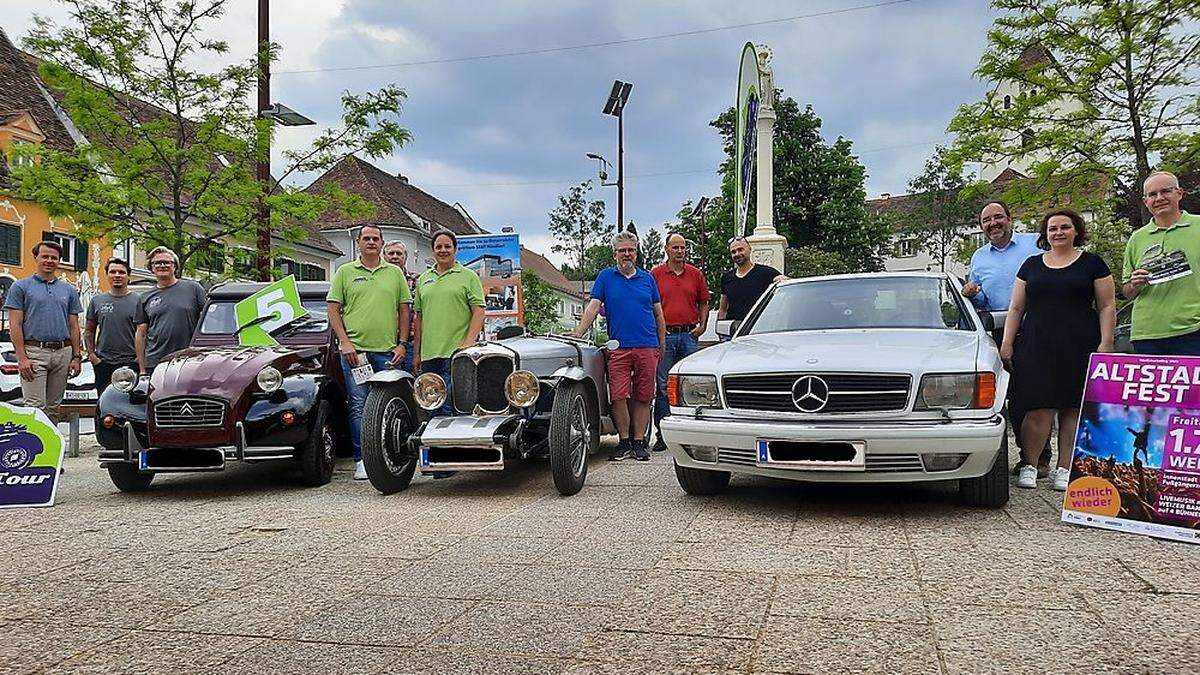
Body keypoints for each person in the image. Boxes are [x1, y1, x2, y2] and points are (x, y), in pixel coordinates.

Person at [1001, 209, 1116, 491]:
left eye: (1065, 227)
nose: (1059, 232)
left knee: (1073, 408)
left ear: (1076, 231)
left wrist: (1106, 342)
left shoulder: (1093, 264)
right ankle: (1030, 463)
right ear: (1045, 234)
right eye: (1053, 228)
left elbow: (1107, 305)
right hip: (1037, 344)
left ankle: (1066, 468)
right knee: (1038, 408)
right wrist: (1007, 341)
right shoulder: (1031, 265)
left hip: (1081, 343)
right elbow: (1016, 307)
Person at [960, 201, 1049, 476]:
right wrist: (973, 294)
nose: (993, 223)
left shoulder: (1035, 243)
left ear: (1010, 218)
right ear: (981, 226)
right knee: (1015, 398)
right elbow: (983, 301)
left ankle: (1044, 459)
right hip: (1000, 330)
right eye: (987, 220)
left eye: (998, 217)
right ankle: (1028, 458)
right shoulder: (979, 257)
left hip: (1039, 326)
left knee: (1041, 394)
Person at [572, 231, 666, 462]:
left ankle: (638, 442)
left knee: (644, 396)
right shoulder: (605, 277)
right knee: (618, 396)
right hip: (618, 348)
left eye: (631, 250)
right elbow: (593, 307)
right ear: (615, 253)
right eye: (622, 250)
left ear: (637, 252)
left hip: (647, 345)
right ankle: (623, 442)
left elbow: (659, 314)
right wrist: (577, 333)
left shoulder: (647, 279)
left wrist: (661, 344)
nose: (627, 254)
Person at [327, 225, 411, 480]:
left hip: (387, 352)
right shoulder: (344, 272)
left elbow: (405, 310)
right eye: (367, 238)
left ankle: (388, 455)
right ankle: (362, 460)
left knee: (390, 405)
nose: (371, 242)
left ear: (382, 243)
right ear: (359, 242)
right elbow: (333, 309)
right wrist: (345, 343)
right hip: (356, 354)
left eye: (376, 238)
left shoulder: (394, 273)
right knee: (359, 405)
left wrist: (402, 343)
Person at [1122, 171, 1200, 354]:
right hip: (1146, 334)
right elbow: (1127, 292)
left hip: (1193, 330)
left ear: (1179, 193)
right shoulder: (1136, 239)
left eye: (1165, 191)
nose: (1159, 198)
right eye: (1152, 194)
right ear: (1145, 201)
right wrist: (1134, 284)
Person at [4, 240, 82, 423]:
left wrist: (76, 356)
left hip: (63, 352)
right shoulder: (21, 287)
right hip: (34, 352)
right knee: (34, 407)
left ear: (59, 261)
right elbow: (15, 324)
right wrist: (21, 358)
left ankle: (52, 449)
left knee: (54, 407)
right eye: (45, 256)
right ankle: (34, 450)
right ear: (36, 257)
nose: (49, 260)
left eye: (53, 258)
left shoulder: (68, 290)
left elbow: (74, 325)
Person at [412, 230, 485, 417]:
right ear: (432, 251)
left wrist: (469, 342)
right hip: (430, 355)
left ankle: (454, 445)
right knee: (432, 406)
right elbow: (419, 318)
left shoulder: (468, 276)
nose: (443, 250)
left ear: (455, 249)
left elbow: (478, 311)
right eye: (438, 247)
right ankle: (438, 445)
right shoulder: (423, 280)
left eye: (447, 246)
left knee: (454, 405)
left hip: (457, 352)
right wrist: (417, 353)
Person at [650, 233, 709, 452]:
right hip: (665, 336)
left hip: (689, 336)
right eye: (675, 247)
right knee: (663, 387)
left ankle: (693, 434)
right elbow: (649, 304)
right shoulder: (655, 274)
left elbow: (703, 302)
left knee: (693, 385)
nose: (680, 251)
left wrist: (702, 326)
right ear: (666, 249)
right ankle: (663, 435)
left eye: (683, 247)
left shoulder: (695, 274)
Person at [135, 246, 207, 375]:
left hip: (188, 359)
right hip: (156, 361)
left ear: (175, 266)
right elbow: (141, 334)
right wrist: (142, 369)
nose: (162, 265)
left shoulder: (193, 288)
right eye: (157, 263)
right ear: (151, 268)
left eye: (167, 262)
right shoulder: (145, 297)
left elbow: (210, 319)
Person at [85, 258, 140, 395]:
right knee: (105, 402)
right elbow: (89, 330)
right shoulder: (97, 301)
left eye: (121, 272)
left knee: (132, 403)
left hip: (131, 361)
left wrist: (140, 358)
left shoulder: (139, 301)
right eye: (113, 272)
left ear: (128, 276)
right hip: (103, 362)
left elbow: (146, 332)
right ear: (107, 275)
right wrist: (92, 355)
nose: (117, 275)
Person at [718, 237, 783, 324]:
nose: (737, 254)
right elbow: (723, 309)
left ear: (749, 249)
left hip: (759, 327)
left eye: (740, 249)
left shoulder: (765, 273)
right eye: (733, 252)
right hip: (734, 331)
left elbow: (783, 281)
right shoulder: (726, 278)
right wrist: (720, 329)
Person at [384, 240, 419, 372]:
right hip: (386, 343)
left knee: (412, 382)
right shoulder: (378, 280)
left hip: (411, 343)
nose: (394, 257)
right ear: (384, 256)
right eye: (391, 253)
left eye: (399, 253)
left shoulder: (417, 281)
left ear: (405, 257)